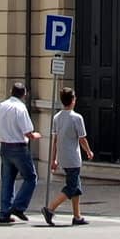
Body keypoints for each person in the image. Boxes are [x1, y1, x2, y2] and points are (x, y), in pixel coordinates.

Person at [43, 87, 94, 226]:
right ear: (73, 100)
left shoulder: (56, 117)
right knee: (71, 187)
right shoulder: (76, 118)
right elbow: (82, 138)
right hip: (73, 157)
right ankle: (50, 208)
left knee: (76, 186)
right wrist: (89, 152)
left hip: (63, 157)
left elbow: (55, 140)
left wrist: (54, 159)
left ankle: (77, 216)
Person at [0, 81, 41, 224]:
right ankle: (18, 206)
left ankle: (4, 213)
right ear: (24, 94)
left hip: (4, 146)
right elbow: (27, 131)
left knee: (7, 181)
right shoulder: (20, 108)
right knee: (31, 177)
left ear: (10, 91)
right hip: (19, 147)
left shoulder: (2, 106)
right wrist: (35, 135)